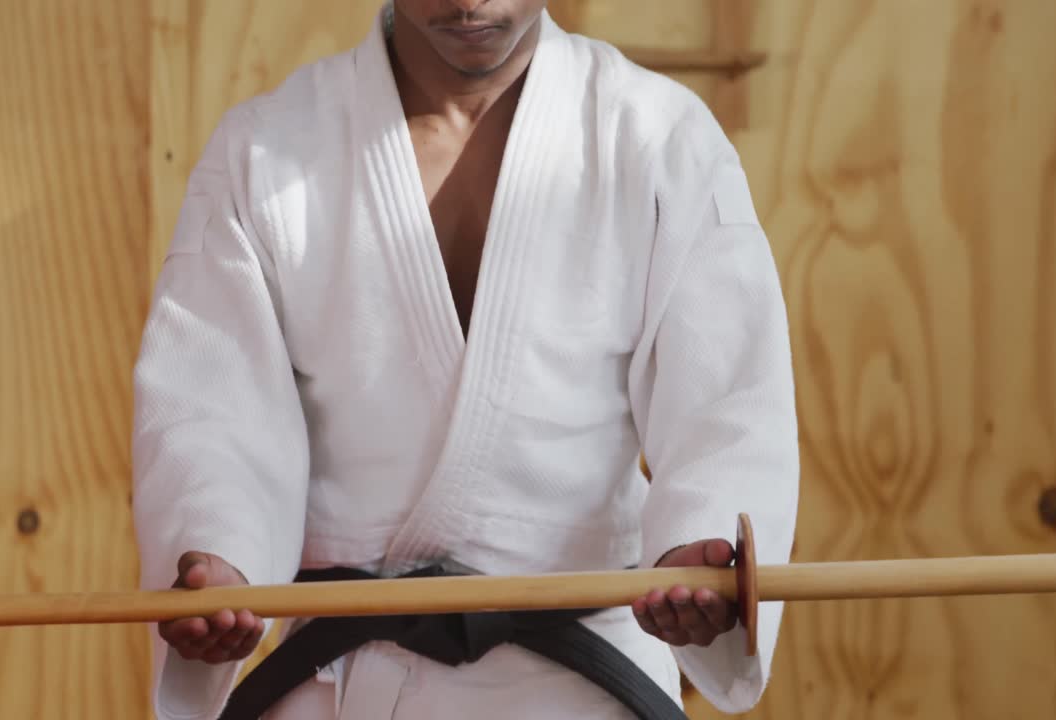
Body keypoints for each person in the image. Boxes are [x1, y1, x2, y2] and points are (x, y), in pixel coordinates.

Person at [131, 0, 799, 718]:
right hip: (345, 681)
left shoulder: (660, 135)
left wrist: (699, 549)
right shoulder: (265, 149)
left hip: (587, 682)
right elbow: (212, 406)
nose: (473, 0)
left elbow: (730, 398)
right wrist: (221, 553)